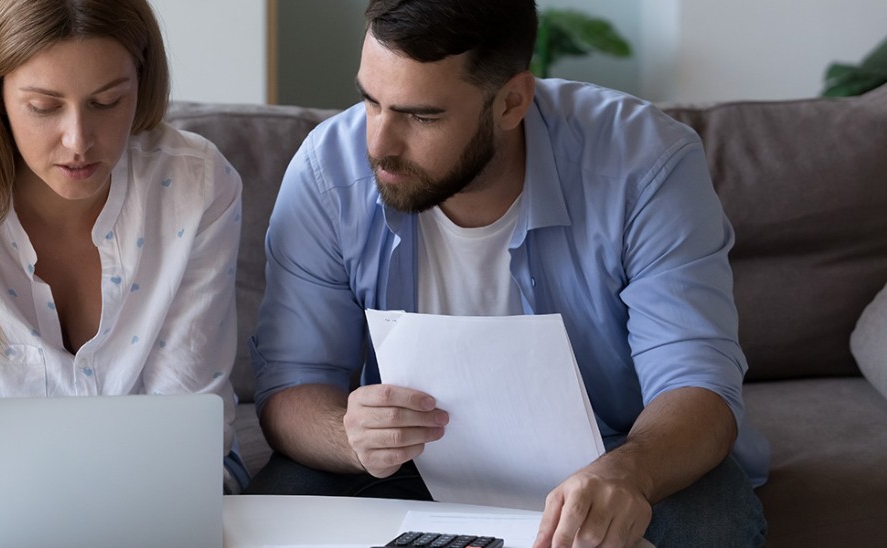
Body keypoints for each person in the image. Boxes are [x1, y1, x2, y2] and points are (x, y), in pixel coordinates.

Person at [247, 0, 769, 546]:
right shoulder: (327, 172)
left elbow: (697, 382)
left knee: (711, 526)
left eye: (422, 116)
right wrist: (349, 436)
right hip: (404, 463)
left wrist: (630, 472)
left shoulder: (645, 163)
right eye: (371, 102)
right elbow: (291, 383)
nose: (378, 144)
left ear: (512, 102)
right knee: (269, 513)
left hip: (614, 451)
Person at [0, 0, 246, 545]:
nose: (79, 140)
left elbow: (189, 422)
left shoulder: (197, 186)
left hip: (159, 495)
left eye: (108, 101)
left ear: (142, 82)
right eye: (43, 106)